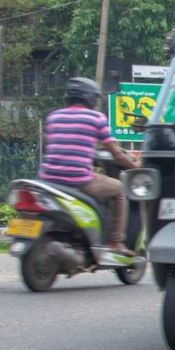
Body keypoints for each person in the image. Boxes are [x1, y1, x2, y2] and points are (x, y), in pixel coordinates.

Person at [38, 77, 141, 256]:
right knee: (120, 190)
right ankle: (116, 241)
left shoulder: (53, 117)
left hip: (48, 178)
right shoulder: (97, 118)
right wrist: (135, 164)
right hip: (78, 179)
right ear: (91, 98)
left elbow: (56, 145)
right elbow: (116, 153)